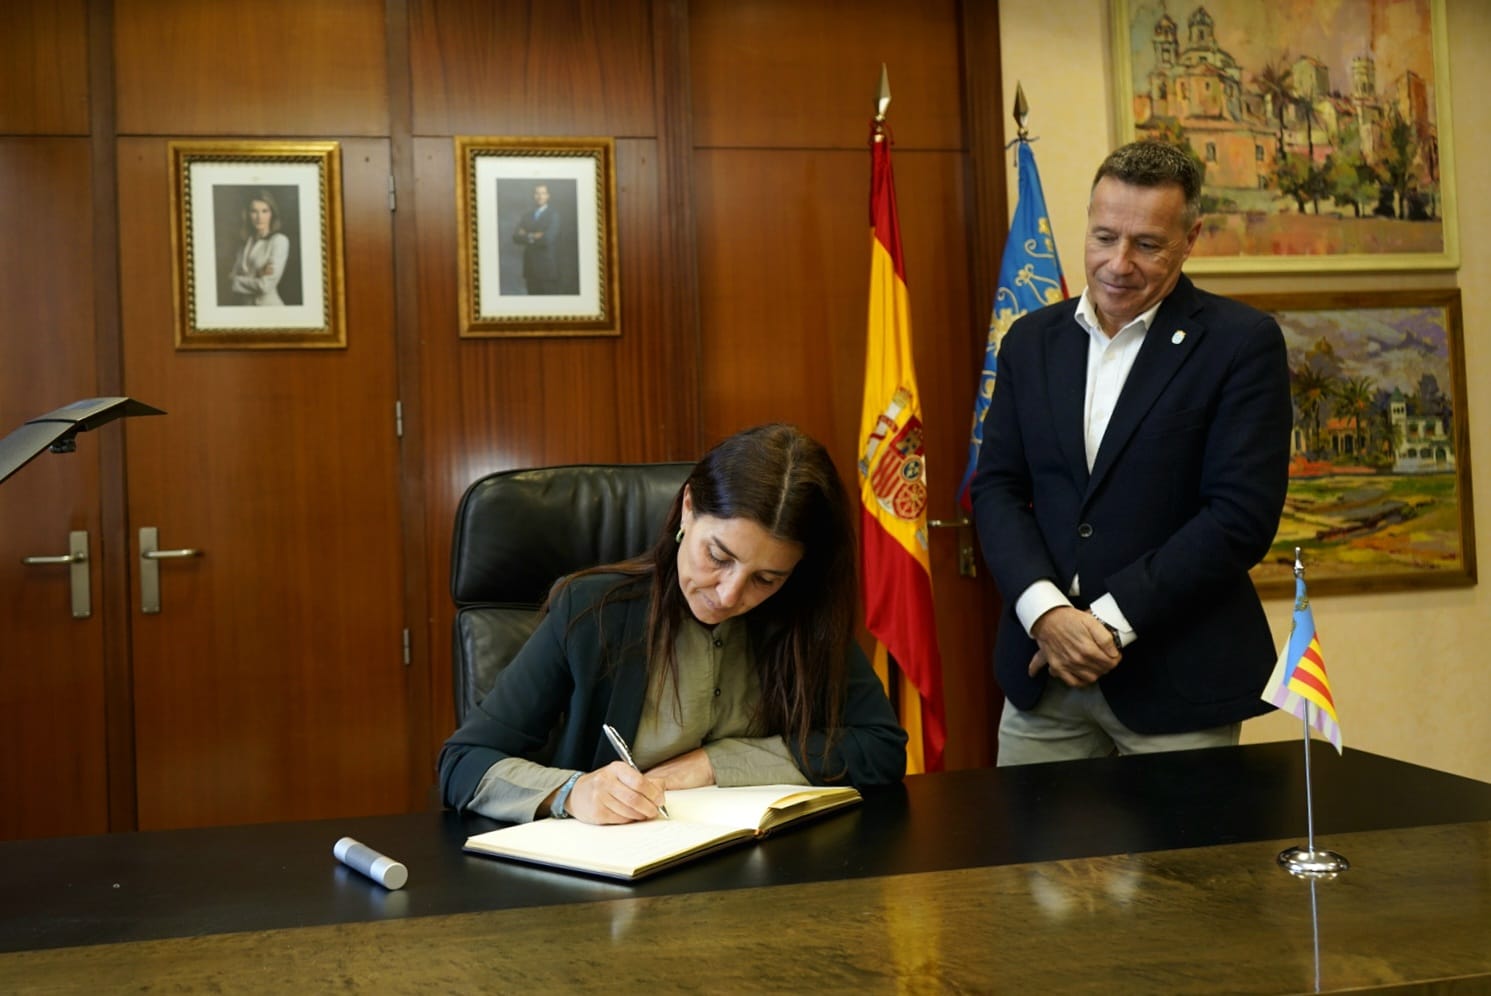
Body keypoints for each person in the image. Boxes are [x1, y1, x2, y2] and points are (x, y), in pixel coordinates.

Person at [970, 140, 1293, 766]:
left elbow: (1238, 517)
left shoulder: (1240, 344)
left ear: (1190, 237)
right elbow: (997, 489)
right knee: (1033, 864)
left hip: (1177, 679)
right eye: (1103, 237)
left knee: (1182, 868)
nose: (1118, 264)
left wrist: (1107, 624)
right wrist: (1046, 614)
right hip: (1042, 673)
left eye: (1147, 244)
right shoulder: (1031, 341)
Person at [439, 423, 908, 824]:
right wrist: (570, 793)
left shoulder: (801, 614)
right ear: (688, 508)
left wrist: (714, 764)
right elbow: (463, 764)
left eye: (765, 579)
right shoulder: (590, 610)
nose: (729, 595)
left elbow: (880, 747)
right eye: (717, 556)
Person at [228, 190, 290, 306]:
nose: (259, 217)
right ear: (247, 214)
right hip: (244, 309)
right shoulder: (245, 242)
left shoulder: (279, 241)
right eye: (254, 211)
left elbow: (265, 286)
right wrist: (257, 274)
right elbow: (231, 276)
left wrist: (235, 281)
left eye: (264, 211)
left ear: (272, 214)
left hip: (269, 308)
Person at [511, 182, 560, 294]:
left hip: (546, 269)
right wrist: (534, 235)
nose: (540, 196)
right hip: (530, 268)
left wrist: (526, 235)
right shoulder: (526, 215)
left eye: (543, 193)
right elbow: (515, 237)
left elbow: (547, 239)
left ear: (548, 196)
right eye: (537, 193)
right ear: (533, 196)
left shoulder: (553, 215)